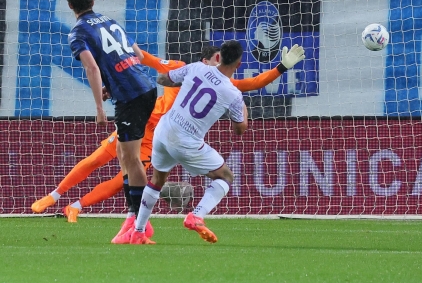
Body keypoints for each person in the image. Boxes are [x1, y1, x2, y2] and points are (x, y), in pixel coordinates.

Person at [31, 45, 306, 228]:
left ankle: (77, 206)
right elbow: (147, 61)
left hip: (159, 137)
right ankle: (53, 197)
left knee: (125, 181)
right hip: (144, 124)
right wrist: (126, 52)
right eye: (210, 60)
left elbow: (253, 83)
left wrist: (281, 67)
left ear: (218, 61)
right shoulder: (186, 68)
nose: (212, 63)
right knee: (96, 159)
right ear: (208, 60)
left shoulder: (222, 83)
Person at [122, 40, 249, 245]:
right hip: (186, 140)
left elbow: (164, 79)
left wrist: (185, 82)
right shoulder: (233, 94)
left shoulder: (197, 67)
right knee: (225, 176)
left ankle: (138, 232)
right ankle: (196, 216)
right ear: (238, 64)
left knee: (156, 180)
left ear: (219, 57)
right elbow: (239, 129)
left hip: (163, 131)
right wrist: (242, 106)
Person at [62, 0, 158, 241]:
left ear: (70, 6)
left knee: (132, 157)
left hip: (132, 96)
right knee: (123, 154)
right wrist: (115, 84)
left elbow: (92, 68)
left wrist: (98, 107)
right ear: (92, 0)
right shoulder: (110, 21)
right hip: (142, 87)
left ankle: (141, 224)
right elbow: (136, 54)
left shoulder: (78, 33)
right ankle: (133, 218)